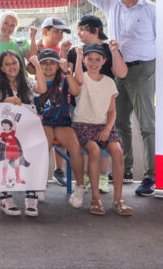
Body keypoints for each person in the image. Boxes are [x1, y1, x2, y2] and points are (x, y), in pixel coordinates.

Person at [53, 0, 156, 196]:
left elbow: (161, 39)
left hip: (142, 70)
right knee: (119, 122)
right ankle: (127, 168)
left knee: (146, 124)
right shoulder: (111, 3)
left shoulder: (152, 9)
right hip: (115, 71)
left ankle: (151, 176)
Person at [66, 14, 128, 192]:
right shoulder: (75, 51)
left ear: (96, 30)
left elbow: (122, 73)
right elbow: (68, 76)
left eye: (82, 29)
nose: (79, 33)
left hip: (103, 103)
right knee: (85, 143)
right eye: (78, 29)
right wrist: (64, 53)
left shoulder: (110, 49)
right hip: (80, 103)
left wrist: (115, 51)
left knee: (105, 139)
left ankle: (102, 176)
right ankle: (86, 176)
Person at [72, 44, 132, 216]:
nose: (93, 62)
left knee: (118, 151)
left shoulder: (109, 82)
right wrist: (77, 56)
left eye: (98, 59)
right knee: (94, 150)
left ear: (104, 61)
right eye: (89, 59)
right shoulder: (81, 78)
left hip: (103, 125)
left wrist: (107, 129)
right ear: (84, 61)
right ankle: (95, 199)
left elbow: (112, 111)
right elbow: (76, 81)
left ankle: (118, 199)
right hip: (82, 124)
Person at [29, 48, 86, 209]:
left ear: (57, 65)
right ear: (38, 66)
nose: (48, 66)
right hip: (44, 121)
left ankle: (80, 187)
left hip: (62, 121)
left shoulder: (64, 79)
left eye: (52, 63)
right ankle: (39, 184)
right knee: (43, 146)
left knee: (75, 148)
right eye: (44, 63)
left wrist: (67, 71)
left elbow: (76, 91)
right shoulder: (34, 81)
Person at [0, 49, 37, 217]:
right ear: (2, 68)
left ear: (20, 64)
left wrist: (36, 65)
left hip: (27, 131)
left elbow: (41, 88)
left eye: (14, 62)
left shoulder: (29, 83)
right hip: (5, 133)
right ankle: (6, 197)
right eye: (7, 64)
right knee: (3, 157)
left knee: (35, 150)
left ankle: (31, 195)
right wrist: (5, 101)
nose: (11, 66)